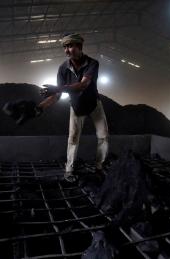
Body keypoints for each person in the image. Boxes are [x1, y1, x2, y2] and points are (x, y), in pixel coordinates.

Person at [37, 33, 109, 182]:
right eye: (65, 47)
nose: (67, 50)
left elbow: (83, 85)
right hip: (76, 106)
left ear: (79, 47)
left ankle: (99, 167)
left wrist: (58, 88)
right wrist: (40, 107)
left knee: (104, 136)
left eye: (70, 46)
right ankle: (69, 170)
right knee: (73, 139)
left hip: (94, 104)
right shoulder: (63, 68)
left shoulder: (92, 63)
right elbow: (56, 96)